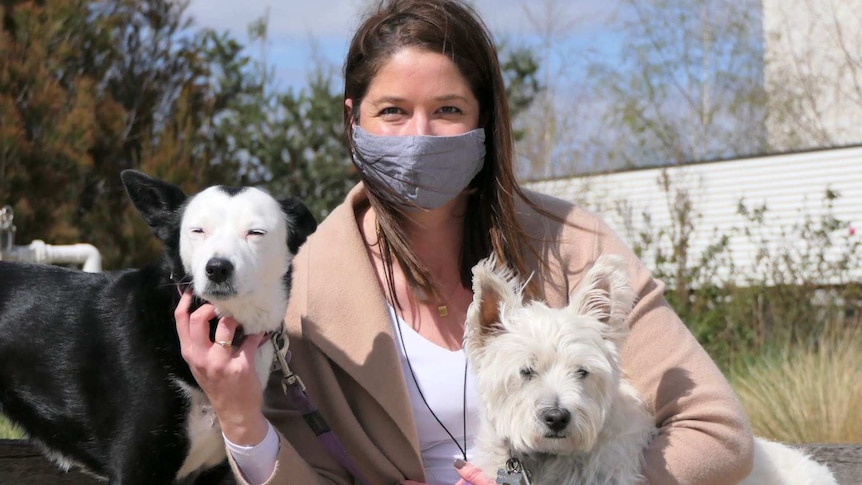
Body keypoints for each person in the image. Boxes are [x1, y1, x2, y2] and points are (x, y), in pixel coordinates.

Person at [174, 0, 756, 484]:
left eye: (448, 109)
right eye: (393, 111)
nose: (420, 136)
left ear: (485, 118)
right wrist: (240, 418)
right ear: (353, 120)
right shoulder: (301, 284)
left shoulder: (576, 247)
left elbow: (717, 432)